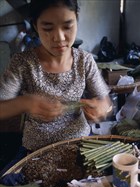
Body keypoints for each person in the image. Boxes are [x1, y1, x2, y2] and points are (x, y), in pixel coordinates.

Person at [0, 0, 112, 153]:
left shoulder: (84, 61)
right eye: (47, 28)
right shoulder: (22, 63)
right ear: (35, 26)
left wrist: (100, 109)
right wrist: (25, 103)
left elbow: (105, 102)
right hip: (37, 149)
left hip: (80, 143)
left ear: (77, 19)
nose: (59, 38)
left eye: (67, 26)